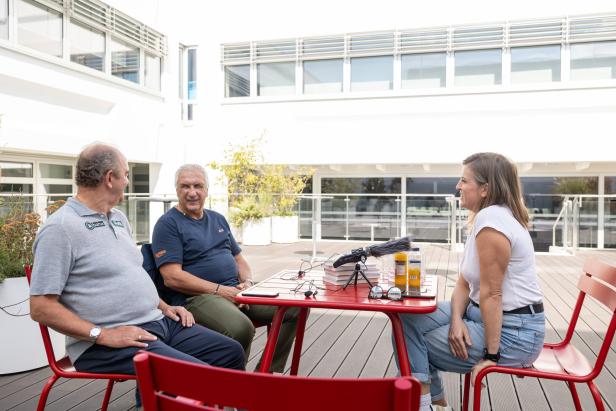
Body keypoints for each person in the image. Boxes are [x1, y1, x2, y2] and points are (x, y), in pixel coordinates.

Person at [29, 144, 245, 408]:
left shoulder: (118, 218)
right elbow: (41, 307)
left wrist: (166, 307)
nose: (128, 181)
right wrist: (102, 334)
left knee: (229, 352)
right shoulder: (60, 229)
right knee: (197, 374)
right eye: (126, 174)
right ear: (110, 178)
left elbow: (132, 273)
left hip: (157, 321)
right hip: (104, 342)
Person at [396, 152, 545, 411]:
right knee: (406, 319)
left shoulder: (493, 223)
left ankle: (424, 405)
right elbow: (464, 283)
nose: (458, 187)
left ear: (485, 188)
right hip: (480, 316)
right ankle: (437, 404)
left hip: (515, 334)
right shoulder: (484, 218)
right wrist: (456, 320)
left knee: (409, 342)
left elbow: (492, 294)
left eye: (464, 181)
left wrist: (491, 356)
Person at [152, 164, 299, 372]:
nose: (192, 192)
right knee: (240, 328)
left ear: (206, 190)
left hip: (236, 290)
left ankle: (265, 375)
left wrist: (247, 283)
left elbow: (239, 260)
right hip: (197, 298)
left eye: (198, 186)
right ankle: (233, 389)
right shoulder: (168, 224)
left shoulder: (217, 219)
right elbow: (172, 277)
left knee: (295, 306)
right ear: (177, 190)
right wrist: (221, 291)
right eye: (185, 186)